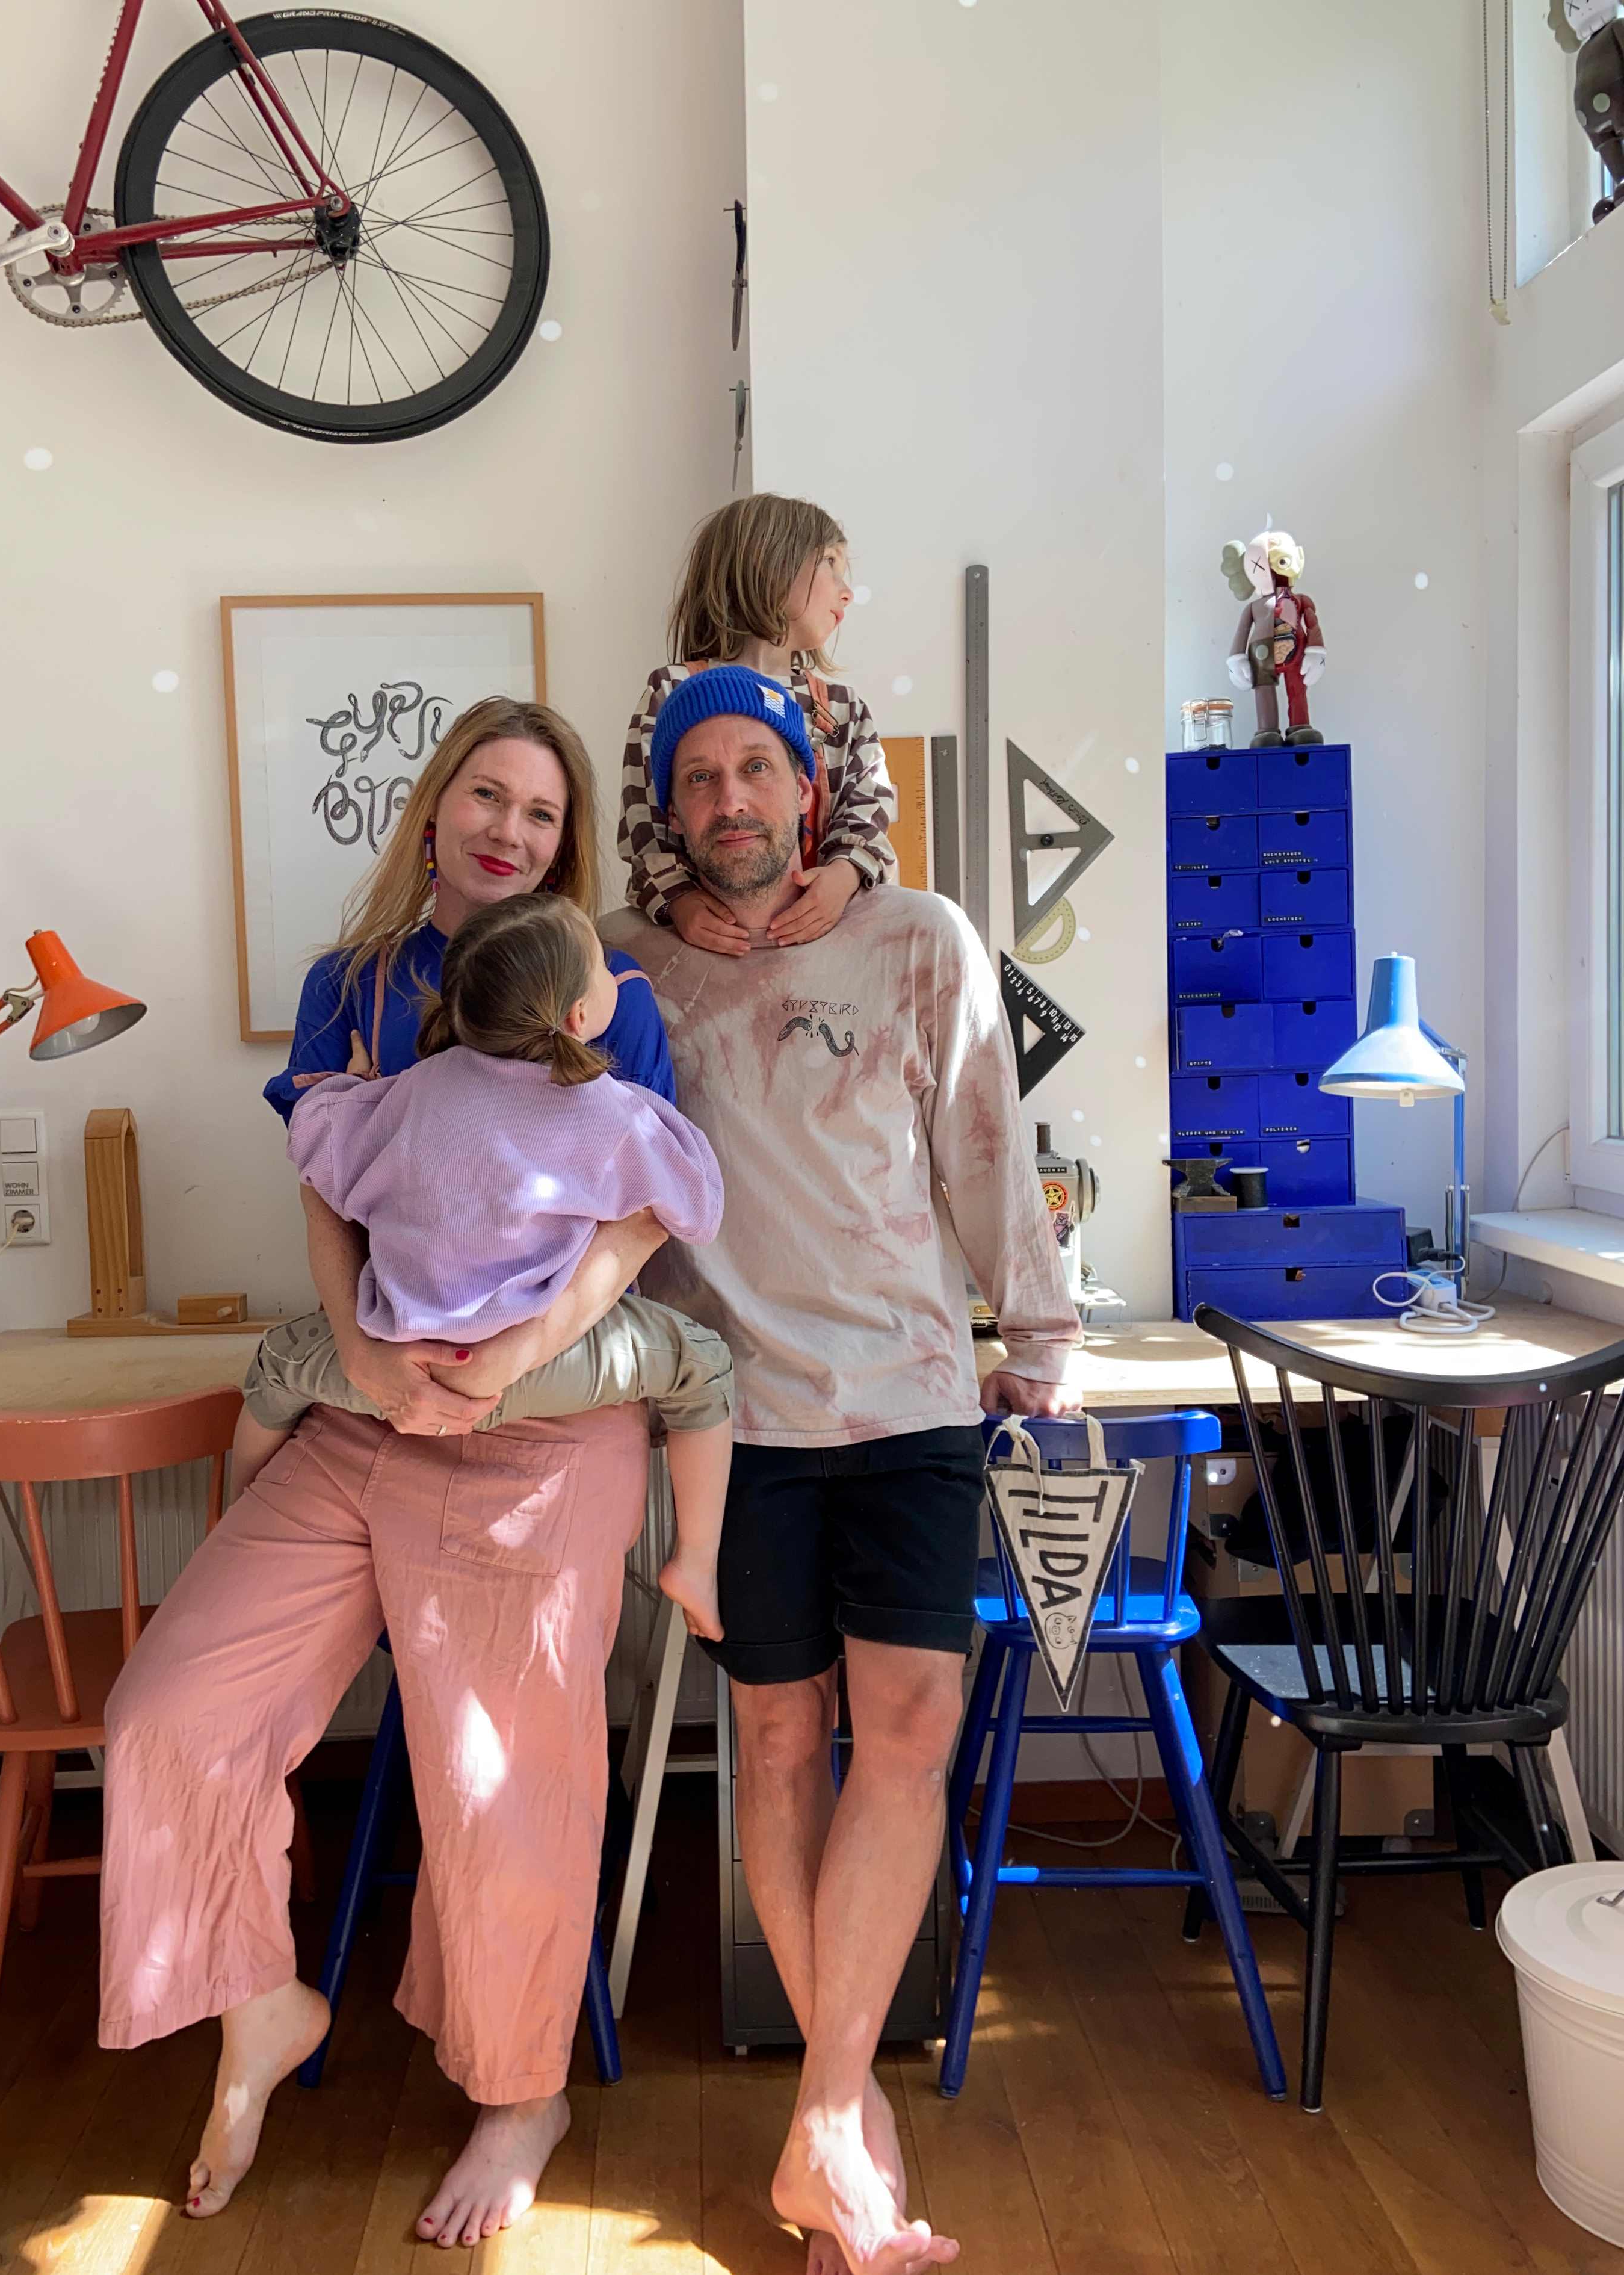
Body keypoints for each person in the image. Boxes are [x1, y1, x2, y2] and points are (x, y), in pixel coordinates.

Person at [100, 698, 681, 2253]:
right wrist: (360, 1356)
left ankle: (521, 2093)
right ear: (434, 810)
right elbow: (323, 1181)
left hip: (536, 1431)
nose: (509, 829)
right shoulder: (350, 986)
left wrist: (519, 1354)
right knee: (169, 1718)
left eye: (542, 813)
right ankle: (259, 2000)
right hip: (363, 1419)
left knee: (502, 1785)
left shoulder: (608, 996)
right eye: (486, 795)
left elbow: (644, 1215)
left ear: (567, 846)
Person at [604, 666, 1083, 2275]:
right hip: (732, 1420)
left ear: (809, 790)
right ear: (668, 808)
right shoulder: (630, 970)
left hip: (911, 1400)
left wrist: (1040, 1329)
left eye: (757, 767)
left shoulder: (919, 940)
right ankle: (849, 2130)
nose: (729, 799)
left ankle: (825, 2114)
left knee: (913, 1731)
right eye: (700, 776)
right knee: (775, 1740)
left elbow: (985, 1146)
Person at [237, 893, 734, 1639]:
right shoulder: (608, 1111)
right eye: (603, 969)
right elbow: (697, 1206)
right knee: (705, 1370)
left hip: (393, 1363)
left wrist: (351, 1088)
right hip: (548, 1372)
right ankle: (695, 1560)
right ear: (578, 1017)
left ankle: (241, 1511)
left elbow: (312, 1142)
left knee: (276, 1370)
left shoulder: (407, 1093)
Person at [618, 494, 897, 955]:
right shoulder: (671, 691)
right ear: (770, 564)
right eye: (830, 563)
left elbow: (871, 810)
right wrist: (679, 900)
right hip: (711, 950)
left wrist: (844, 876)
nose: (846, 591)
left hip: (826, 946)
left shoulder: (843, 708)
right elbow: (642, 824)